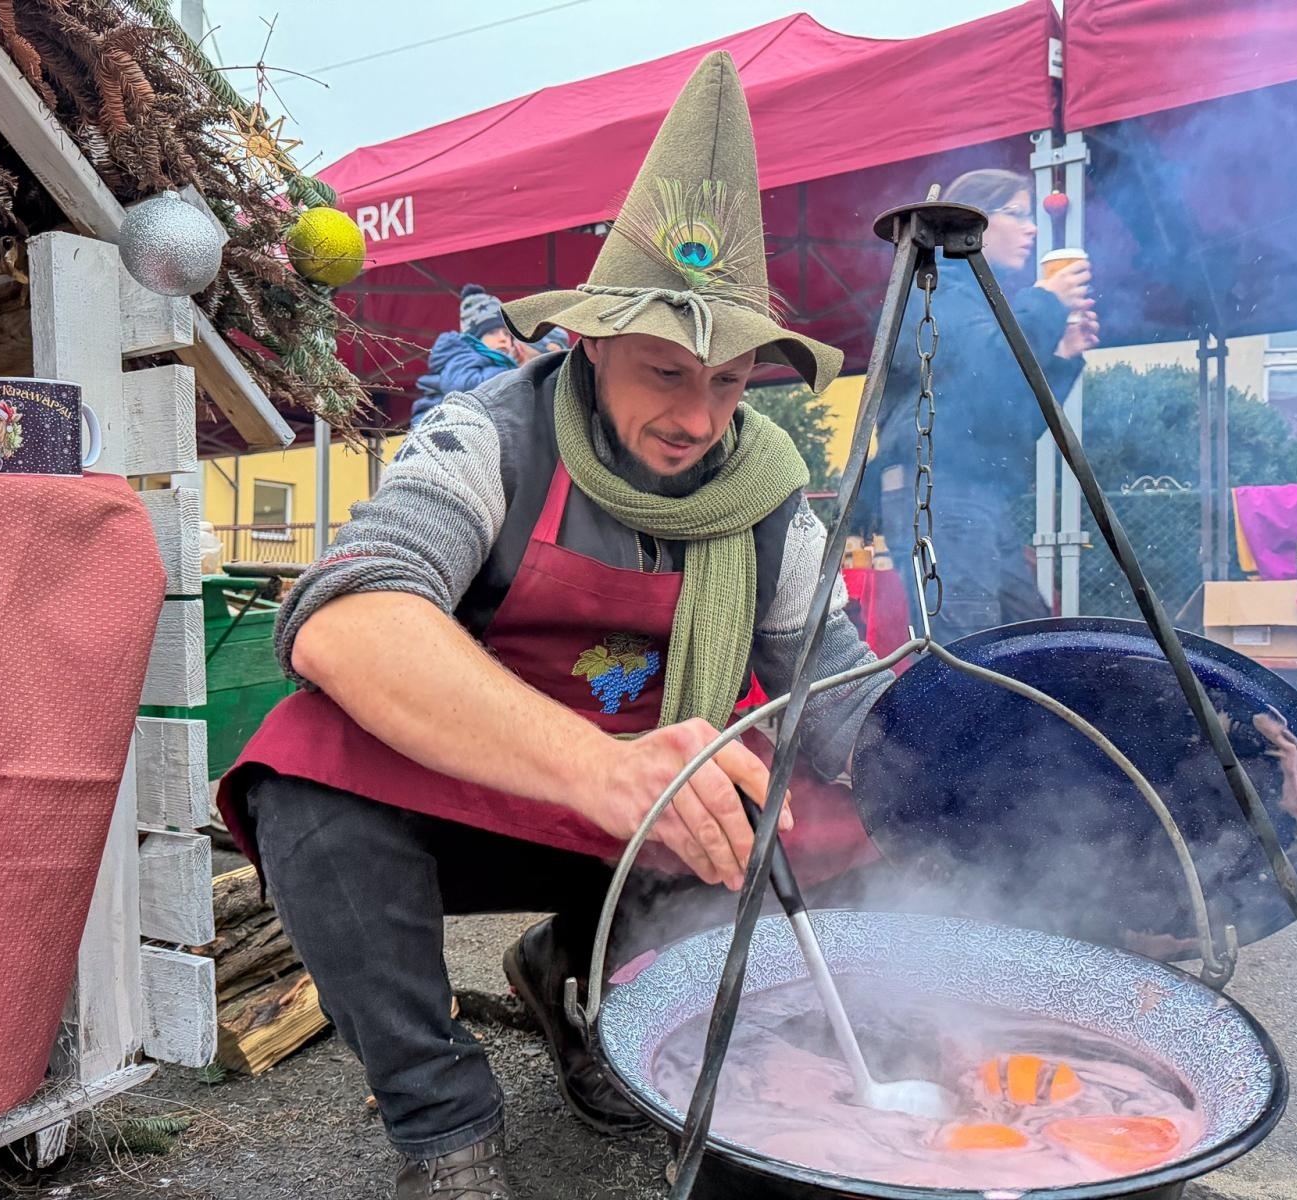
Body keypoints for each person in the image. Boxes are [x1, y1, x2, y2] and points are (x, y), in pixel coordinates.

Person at [217, 51, 891, 1200]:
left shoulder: (771, 492)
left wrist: (1025, 771)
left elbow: (844, 695)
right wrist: (600, 770)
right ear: (586, 343)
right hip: (483, 786)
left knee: (824, 811)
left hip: (646, 814)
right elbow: (347, 615)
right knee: (301, 770)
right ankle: (443, 1117)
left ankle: (592, 984)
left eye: (728, 384)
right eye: (663, 373)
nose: (697, 418)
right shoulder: (486, 439)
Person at [863, 168, 1100, 645]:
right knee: (972, 652)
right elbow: (985, 366)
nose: (1032, 228)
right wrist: (1046, 302)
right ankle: (958, 722)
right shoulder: (936, 285)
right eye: (1017, 214)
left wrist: (1060, 361)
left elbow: (1009, 422)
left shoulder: (976, 297)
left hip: (974, 497)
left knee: (1024, 639)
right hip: (940, 494)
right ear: (973, 223)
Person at [408, 284, 527, 426]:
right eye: (492, 332)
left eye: (506, 333)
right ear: (475, 337)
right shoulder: (462, 355)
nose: (503, 338)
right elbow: (463, 386)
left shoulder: (498, 363)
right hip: (435, 424)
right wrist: (512, 373)